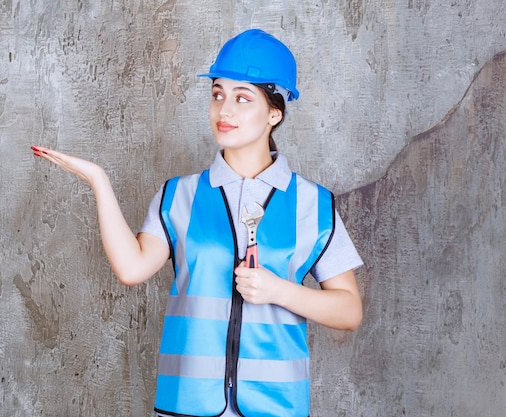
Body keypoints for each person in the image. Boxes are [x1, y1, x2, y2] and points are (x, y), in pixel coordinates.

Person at [31, 29, 363, 417]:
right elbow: (131, 268)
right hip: (186, 406)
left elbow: (349, 311)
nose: (225, 110)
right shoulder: (179, 196)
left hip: (278, 408)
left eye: (243, 98)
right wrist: (99, 181)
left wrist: (279, 291)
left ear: (275, 112)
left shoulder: (313, 204)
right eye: (218, 94)